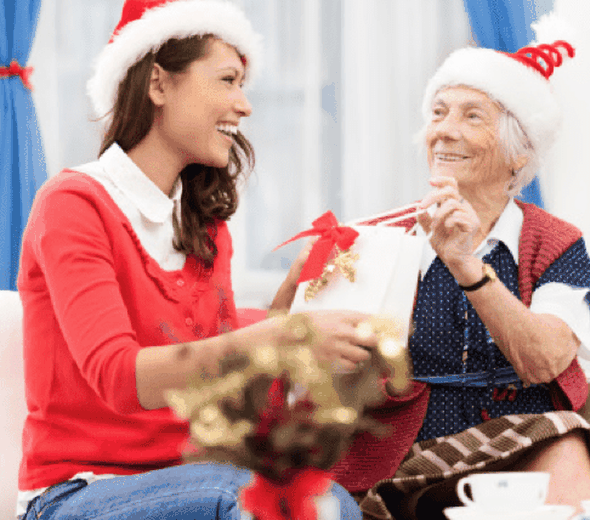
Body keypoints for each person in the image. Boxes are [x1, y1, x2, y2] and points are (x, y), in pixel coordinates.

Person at [15, 1, 371, 519]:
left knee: (325, 499)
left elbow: (227, 382)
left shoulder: (203, 224)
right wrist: (280, 335)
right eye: (227, 80)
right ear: (159, 83)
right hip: (78, 492)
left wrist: (292, 297)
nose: (245, 105)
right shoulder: (74, 205)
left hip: (196, 479)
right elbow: (119, 378)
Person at [316, 33, 590, 520]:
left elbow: (544, 360)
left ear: (520, 154)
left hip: (522, 457)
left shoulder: (555, 243)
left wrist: (466, 264)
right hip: (405, 461)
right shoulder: (377, 240)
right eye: (438, 113)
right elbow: (317, 367)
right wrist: (302, 291)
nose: (444, 131)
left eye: (472, 116)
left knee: (562, 434)